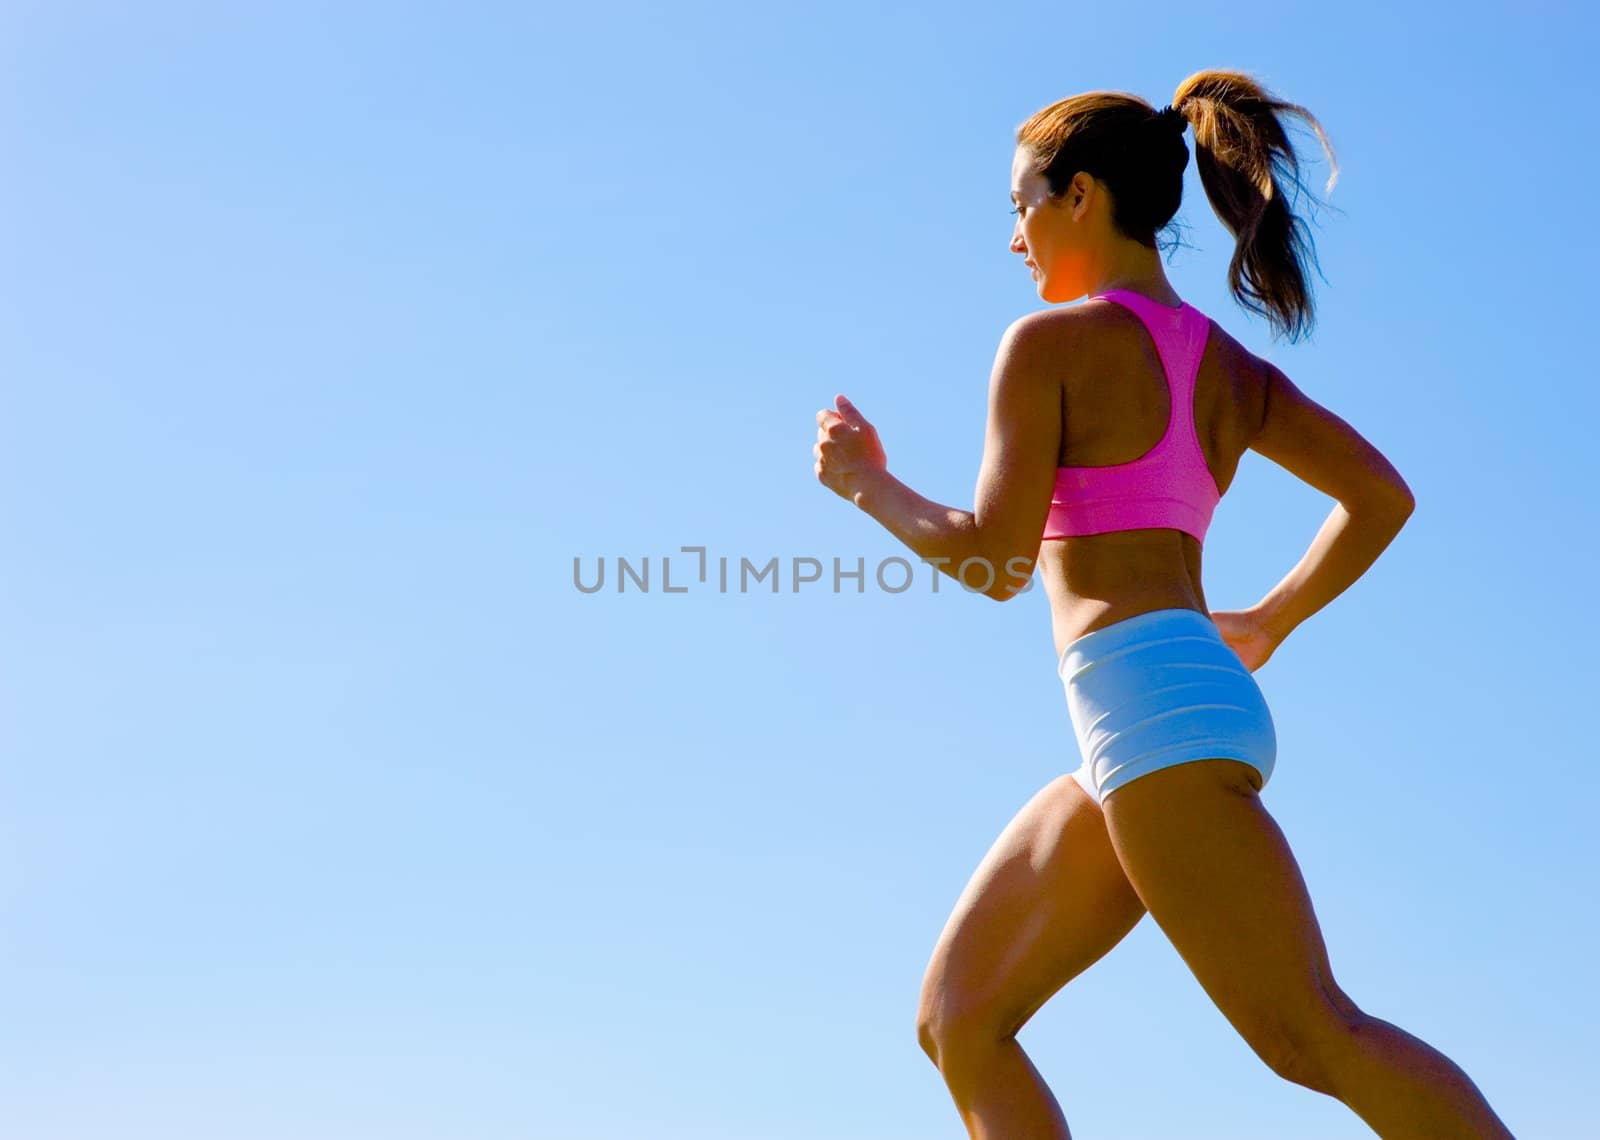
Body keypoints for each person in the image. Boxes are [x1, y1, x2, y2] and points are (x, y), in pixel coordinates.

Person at [812, 68, 1516, 1139]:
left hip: (1152, 715)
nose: (1015, 240)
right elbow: (1378, 497)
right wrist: (1268, 621)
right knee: (960, 1016)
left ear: (1080, 195)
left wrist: (867, 483)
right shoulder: (1228, 369)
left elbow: (994, 560)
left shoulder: (1045, 348)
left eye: (1021, 206)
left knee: (1312, 1036)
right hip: (1156, 714)